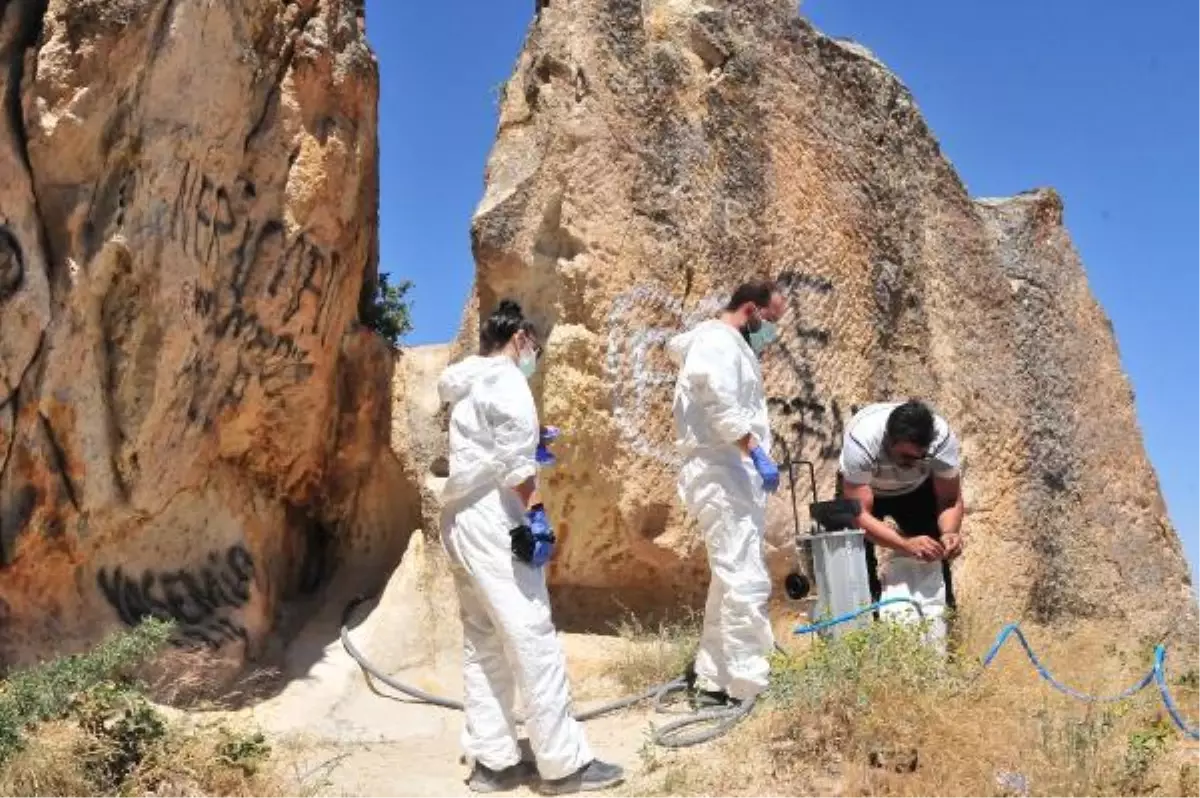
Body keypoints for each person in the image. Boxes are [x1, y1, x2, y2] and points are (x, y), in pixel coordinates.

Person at [438, 300, 624, 794]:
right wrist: (538, 516)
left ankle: (494, 762)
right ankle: (564, 765)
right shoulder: (508, 381)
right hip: (496, 522)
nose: (534, 358)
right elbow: (517, 470)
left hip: (460, 521)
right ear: (520, 338)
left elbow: (490, 448)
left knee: (483, 640)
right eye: (534, 348)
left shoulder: (470, 384)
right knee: (531, 636)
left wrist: (530, 439)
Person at [667, 279, 789, 708]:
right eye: (771, 321)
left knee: (728, 579)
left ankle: (714, 677)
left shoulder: (729, 345)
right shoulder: (717, 342)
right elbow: (717, 399)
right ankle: (749, 683)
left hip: (731, 474)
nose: (772, 332)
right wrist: (754, 450)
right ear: (752, 311)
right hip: (719, 472)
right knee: (745, 579)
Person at [836, 400, 965, 651]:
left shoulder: (942, 440)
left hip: (916, 491)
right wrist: (905, 544)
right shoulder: (862, 439)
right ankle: (868, 642)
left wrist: (949, 533)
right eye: (906, 456)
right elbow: (859, 515)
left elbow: (949, 499)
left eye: (921, 457)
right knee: (857, 561)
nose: (914, 462)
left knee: (935, 551)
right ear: (889, 440)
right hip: (868, 490)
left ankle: (943, 642)